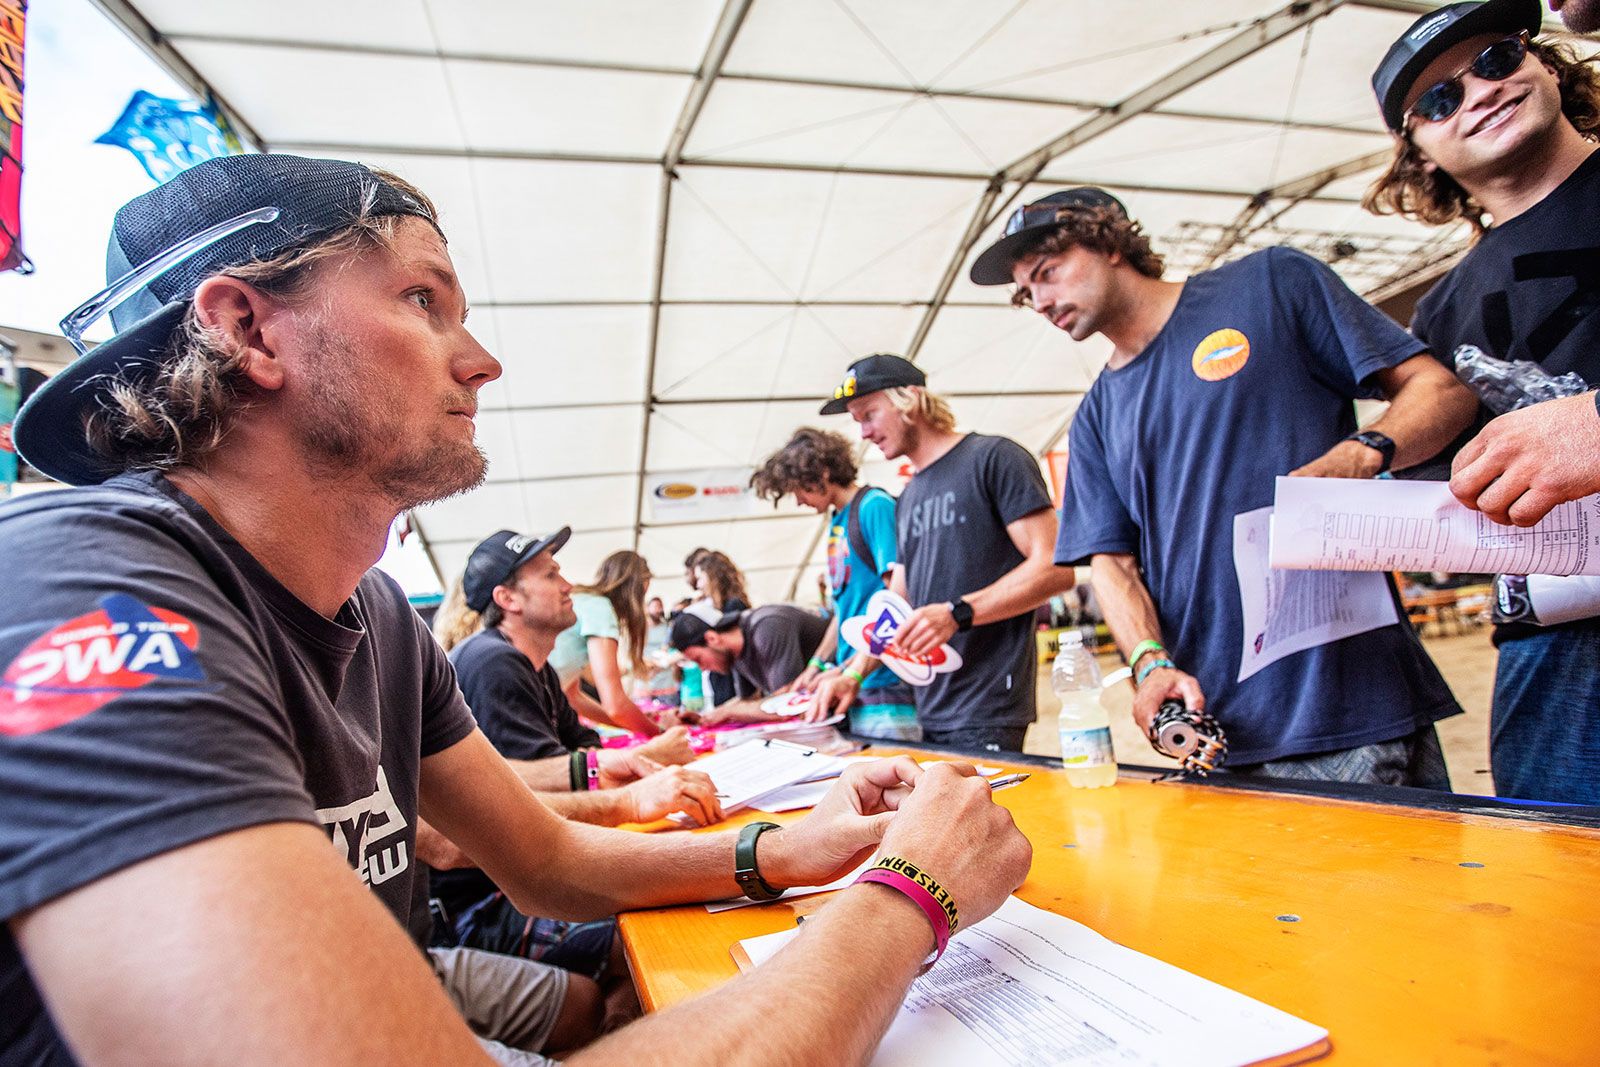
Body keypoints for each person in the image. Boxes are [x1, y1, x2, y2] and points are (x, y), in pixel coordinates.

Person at [0, 153, 1032, 1066]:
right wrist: (907, 896)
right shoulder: (88, 589)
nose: (480, 358)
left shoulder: (379, 621)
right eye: (421, 298)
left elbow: (550, 862)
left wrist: (788, 847)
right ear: (244, 328)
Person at [968, 185, 1477, 785]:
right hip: (1215, 733)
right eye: (1027, 292)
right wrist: (1148, 662)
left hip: (1348, 704)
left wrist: (1364, 452)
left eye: (1048, 272)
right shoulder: (1096, 418)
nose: (1041, 300)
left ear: (1108, 243)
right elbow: (1110, 565)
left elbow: (1442, 392)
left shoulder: (1269, 286)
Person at [1365, 0, 1600, 803]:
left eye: (1496, 59)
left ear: (1545, 64)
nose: (1478, 92)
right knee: (1560, 903)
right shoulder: (1439, 312)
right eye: (1438, 99)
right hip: (1554, 644)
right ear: (1419, 153)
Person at [431, 528, 715, 1028]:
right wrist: (634, 783)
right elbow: (538, 790)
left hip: (522, 873)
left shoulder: (531, 665)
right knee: (651, 927)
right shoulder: (491, 662)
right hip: (489, 898)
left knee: (667, 904)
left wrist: (623, 769)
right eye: (551, 574)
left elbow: (584, 753)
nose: (568, 584)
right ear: (507, 599)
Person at [814, 355, 1073, 752]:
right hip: (927, 706)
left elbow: (1055, 566)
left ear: (910, 398)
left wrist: (957, 614)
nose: (863, 432)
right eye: (856, 420)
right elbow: (896, 604)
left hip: (987, 704)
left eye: (869, 414)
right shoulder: (909, 495)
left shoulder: (994, 458)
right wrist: (852, 675)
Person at [751, 426, 920, 741]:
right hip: (852, 682)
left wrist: (856, 670)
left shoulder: (874, 506)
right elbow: (844, 610)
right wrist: (815, 666)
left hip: (883, 681)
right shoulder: (837, 522)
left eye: (798, 489)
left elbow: (897, 600)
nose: (799, 501)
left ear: (823, 472)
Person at [547, 550, 661, 737]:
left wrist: (634, 723)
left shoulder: (585, 601)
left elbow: (574, 697)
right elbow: (615, 704)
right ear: (640, 587)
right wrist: (659, 733)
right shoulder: (601, 609)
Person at [669, 602, 829, 724]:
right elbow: (748, 699)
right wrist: (708, 717)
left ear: (712, 638)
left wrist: (730, 711)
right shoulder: (734, 653)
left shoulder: (767, 627)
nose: (703, 668)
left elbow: (786, 703)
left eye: (698, 659)